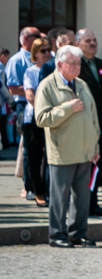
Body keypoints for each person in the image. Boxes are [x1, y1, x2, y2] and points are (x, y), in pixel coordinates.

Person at [34, 45, 100, 248]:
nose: (77, 67)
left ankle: (77, 233)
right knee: (59, 198)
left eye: (79, 63)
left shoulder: (81, 84)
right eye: (72, 63)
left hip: (85, 151)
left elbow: (93, 116)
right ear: (60, 64)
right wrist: (67, 108)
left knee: (82, 198)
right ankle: (56, 235)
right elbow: (42, 118)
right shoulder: (47, 86)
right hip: (62, 152)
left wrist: (95, 146)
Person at [76, 29, 102, 217]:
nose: (92, 43)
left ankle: (94, 204)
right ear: (78, 43)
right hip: (83, 123)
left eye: (94, 40)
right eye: (87, 40)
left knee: (99, 165)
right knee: (84, 167)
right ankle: (82, 205)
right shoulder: (76, 65)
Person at [7, 27, 41, 195]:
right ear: (26, 39)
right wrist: (33, 88)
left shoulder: (44, 58)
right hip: (24, 106)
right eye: (36, 36)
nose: (40, 38)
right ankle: (28, 186)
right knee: (28, 147)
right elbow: (13, 89)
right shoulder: (17, 60)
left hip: (40, 105)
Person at [22, 38, 51, 206]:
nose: (47, 54)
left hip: (51, 117)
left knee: (49, 156)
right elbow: (30, 95)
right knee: (34, 156)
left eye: (49, 50)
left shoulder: (54, 70)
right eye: (43, 51)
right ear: (35, 53)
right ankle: (37, 191)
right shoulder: (31, 72)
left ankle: (48, 190)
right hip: (34, 117)